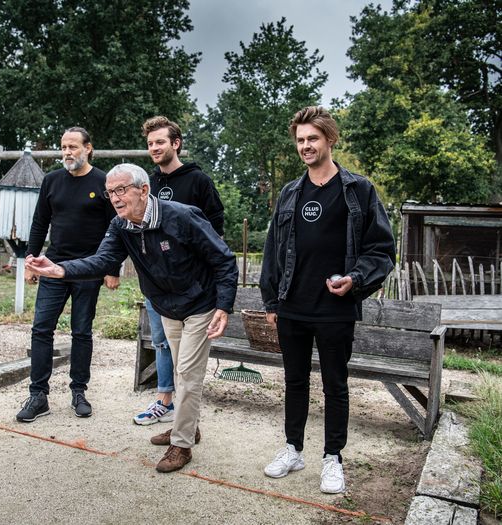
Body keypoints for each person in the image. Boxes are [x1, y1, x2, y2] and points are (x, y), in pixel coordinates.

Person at [25, 163, 238, 473]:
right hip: (167, 306)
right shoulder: (120, 225)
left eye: (121, 190)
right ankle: (189, 426)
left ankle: (181, 445)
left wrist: (223, 306)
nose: (115, 198)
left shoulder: (182, 216)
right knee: (181, 370)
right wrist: (61, 269)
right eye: (111, 192)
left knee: (188, 376)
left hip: (199, 304)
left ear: (144, 190)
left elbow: (224, 259)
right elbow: (103, 260)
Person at [259, 106, 395, 494]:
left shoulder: (359, 190)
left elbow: (382, 249)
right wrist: (272, 303)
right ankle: (293, 448)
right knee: (294, 381)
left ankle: (333, 457)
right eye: (300, 140)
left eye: (312, 139)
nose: (305, 146)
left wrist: (355, 279)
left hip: (335, 309)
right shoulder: (289, 193)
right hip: (293, 307)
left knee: (335, 385)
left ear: (330, 139)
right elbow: (273, 250)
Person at [16, 127, 120, 423]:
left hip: (89, 270)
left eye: (73, 146)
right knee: (41, 329)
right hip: (53, 266)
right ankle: (38, 395)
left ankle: (78, 391)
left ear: (88, 148)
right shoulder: (52, 181)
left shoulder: (103, 182)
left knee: (81, 331)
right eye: (63, 147)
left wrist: (111, 268)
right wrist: (31, 262)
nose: (67, 152)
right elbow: (39, 223)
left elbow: (116, 227)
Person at [134, 116, 226, 426]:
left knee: (187, 359)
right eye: (150, 144)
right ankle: (165, 401)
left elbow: (215, 230)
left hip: (192, 287)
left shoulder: (198, 181)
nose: (154, 148)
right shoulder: (149, 184)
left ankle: (184, 422)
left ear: (176, 143)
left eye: (160, 142)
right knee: (161, 342)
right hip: (158, 283)